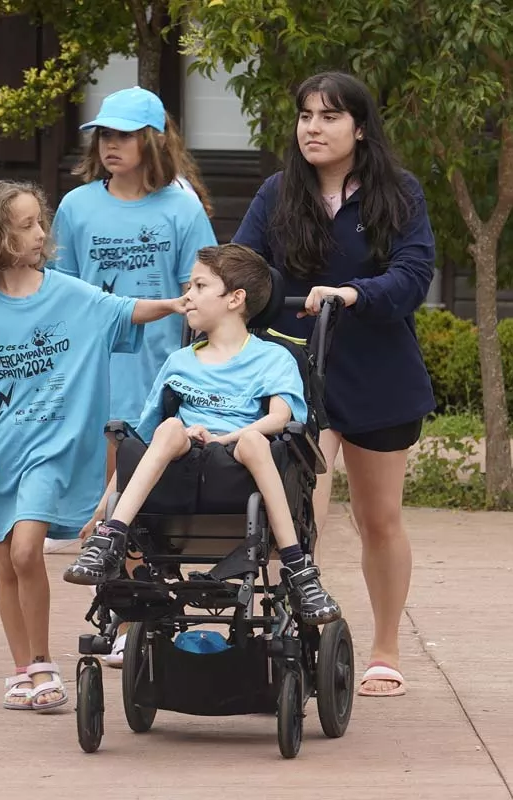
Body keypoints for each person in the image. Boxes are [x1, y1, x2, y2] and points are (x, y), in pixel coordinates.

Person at [0, 180, 185, 711]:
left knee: (26, 548)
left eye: (38, 222)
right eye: (26, 225)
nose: (41, 232)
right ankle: (21, 668)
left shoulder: (68, 293)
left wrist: (178, 302)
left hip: (54, 447)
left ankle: (44, 661)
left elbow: (125, 310)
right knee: (5, 559)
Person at [232, 71, 436, 696]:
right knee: (294, 517)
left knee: (380, 520)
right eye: (304, 116)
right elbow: (243, 267)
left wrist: (354, 292)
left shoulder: (397, 192)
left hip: (379, 376)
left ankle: (384, 649)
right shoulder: (275, 192)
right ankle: (293, 640)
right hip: (294, 379)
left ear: (360, 127)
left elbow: (414, 274)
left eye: (328, 117)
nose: (312, 128)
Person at [64, 244, 342, 625]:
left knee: (255, 440)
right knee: (169, 427)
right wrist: (102, 505)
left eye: (199, 286)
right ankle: (109, 537)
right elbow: (141, 441)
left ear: (235, 298)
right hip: (183, 465)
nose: (187, 296)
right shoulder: (179, 362)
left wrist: (224, 438)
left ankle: (298, 569)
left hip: (239, 462)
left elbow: (280, 417)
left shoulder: (274, 358)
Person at [45, 86, 217, 555]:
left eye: (123, 135)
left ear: (153, 141)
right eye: (103, 135)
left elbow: (201, 288)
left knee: (147, 455)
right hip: (93, 362)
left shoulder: (181, 208)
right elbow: (58, 290)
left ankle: (134, 555)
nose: (109, 145)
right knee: (104, 447)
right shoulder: (76, 206)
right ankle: (103, 542)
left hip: (162, 362)